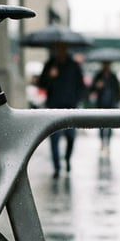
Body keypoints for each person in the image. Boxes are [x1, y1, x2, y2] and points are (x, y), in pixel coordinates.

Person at [38, 42, 86, 178]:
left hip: (70, 107)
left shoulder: (74, 65)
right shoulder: (50, 64)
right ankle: (57, 168)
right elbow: (41, 84)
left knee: (71, 137)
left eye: (63, 48)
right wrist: (50, 76)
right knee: (54, 139)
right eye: (58, 48)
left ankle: (67, 158)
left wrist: (76, 100)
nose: (60, 50)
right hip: (53, 106)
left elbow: (81, 86)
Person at [89, 59, 120, 155]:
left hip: (111, 105)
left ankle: (108, 144)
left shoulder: (113, 77)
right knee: (101, 126)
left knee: (110, 126)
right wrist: (97, 86)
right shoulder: (99, 76)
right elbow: (91, 89)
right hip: (101, 105)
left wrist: (116, 101)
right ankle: (102, 143)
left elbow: (117, 91)